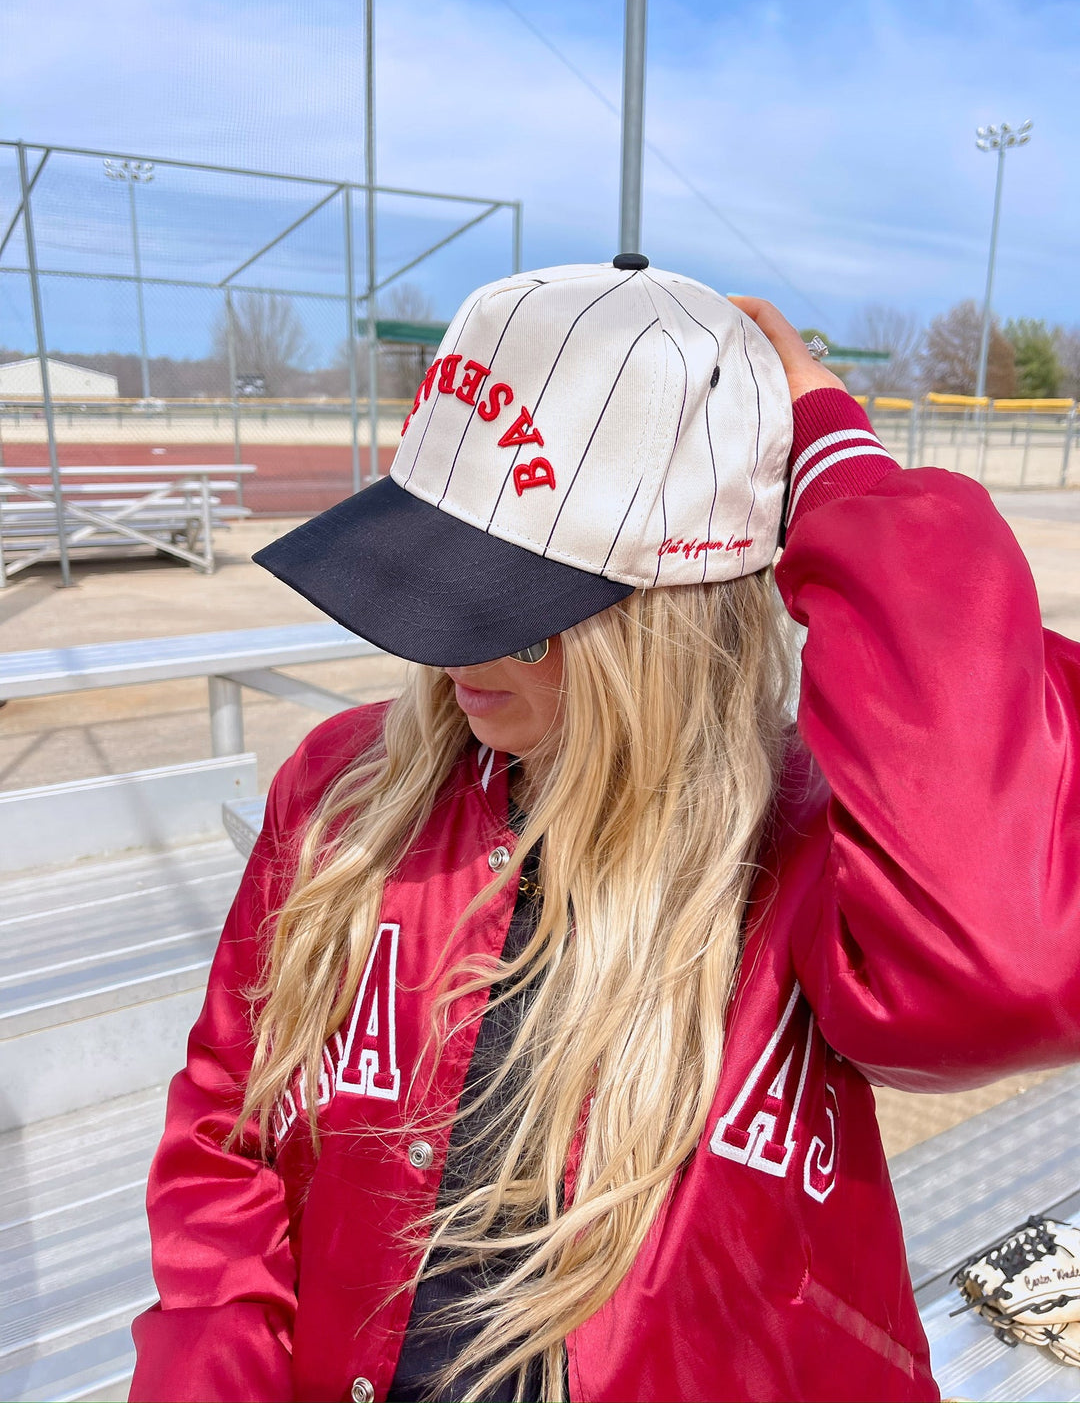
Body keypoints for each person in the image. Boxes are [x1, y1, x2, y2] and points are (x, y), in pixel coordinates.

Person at [129, 257, 1080, 1403]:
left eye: (518, 623)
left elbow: (1008, 962)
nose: (456, 660)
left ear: (676, 626)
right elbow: (225, 1131)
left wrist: (843, 477)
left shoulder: (805, 848)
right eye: (428, 590)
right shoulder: (344, 790)